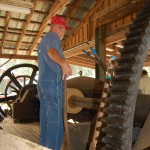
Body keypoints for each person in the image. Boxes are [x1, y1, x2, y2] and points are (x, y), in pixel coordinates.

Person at [37, 15, 72, 150]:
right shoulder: (53, 37)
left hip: (43, 83)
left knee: (46, 121)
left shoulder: (43, 40)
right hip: (52, 82)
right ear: (60, 28)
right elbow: (52, 52)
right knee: (56, 124)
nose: (64, 33)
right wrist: (64, 64)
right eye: (64, 30)